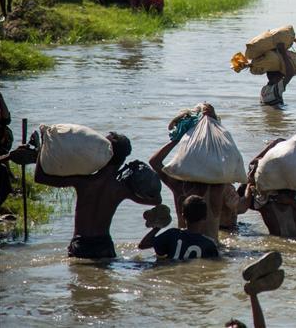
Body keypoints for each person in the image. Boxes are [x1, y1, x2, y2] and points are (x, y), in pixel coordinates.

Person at [35, 132, 162, 258]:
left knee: (82, 277)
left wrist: (44, 147)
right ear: (123, 159)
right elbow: (156, 200)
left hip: (81, 244)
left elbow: (40, 177)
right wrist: (143, 175)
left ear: (102, 154)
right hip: (104, 245)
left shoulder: (83, 181)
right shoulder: (121, 189)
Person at [150, 105, 227, 243]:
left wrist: (177, 139)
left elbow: (155, 162)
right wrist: (214, 122)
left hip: (181, 249)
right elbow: (223, 158)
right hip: (211, 250)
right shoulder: (218, 185)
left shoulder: (180, 186)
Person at [139, 195, 220, 260]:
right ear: (205, 217)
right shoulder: (209, 244)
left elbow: (143, 245)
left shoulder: (172, 234)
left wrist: (158, 226)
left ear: (183, 216)